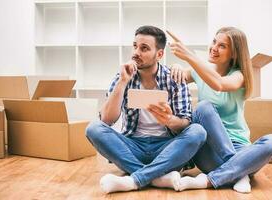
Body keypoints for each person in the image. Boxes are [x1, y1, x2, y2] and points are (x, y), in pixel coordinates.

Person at [86, 25, 207, 194]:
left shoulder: (174, 77)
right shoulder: (124, 75)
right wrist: (122, 82)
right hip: (133, 147)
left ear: (159, 54)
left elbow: (186, 122)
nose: (136, 53)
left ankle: (137, 178)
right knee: (94, 128)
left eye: (144, 48)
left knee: (198, 131)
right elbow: (106, 119)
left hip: (166, 149)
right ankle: (156, 177)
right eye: (135, 46)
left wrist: (170, 120)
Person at [167, 27, 272, 193]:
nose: (214, 47)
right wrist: (176, 66)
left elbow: (220, 84)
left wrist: (189, 56)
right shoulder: (198, 71)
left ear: (234, 54)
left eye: (222, 46)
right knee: (202, 107)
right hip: (210, 152)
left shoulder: (239, 75)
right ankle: (239, 172)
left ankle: (210, 179)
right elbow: (169, 76)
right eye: (214, 41)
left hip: (241, 148)